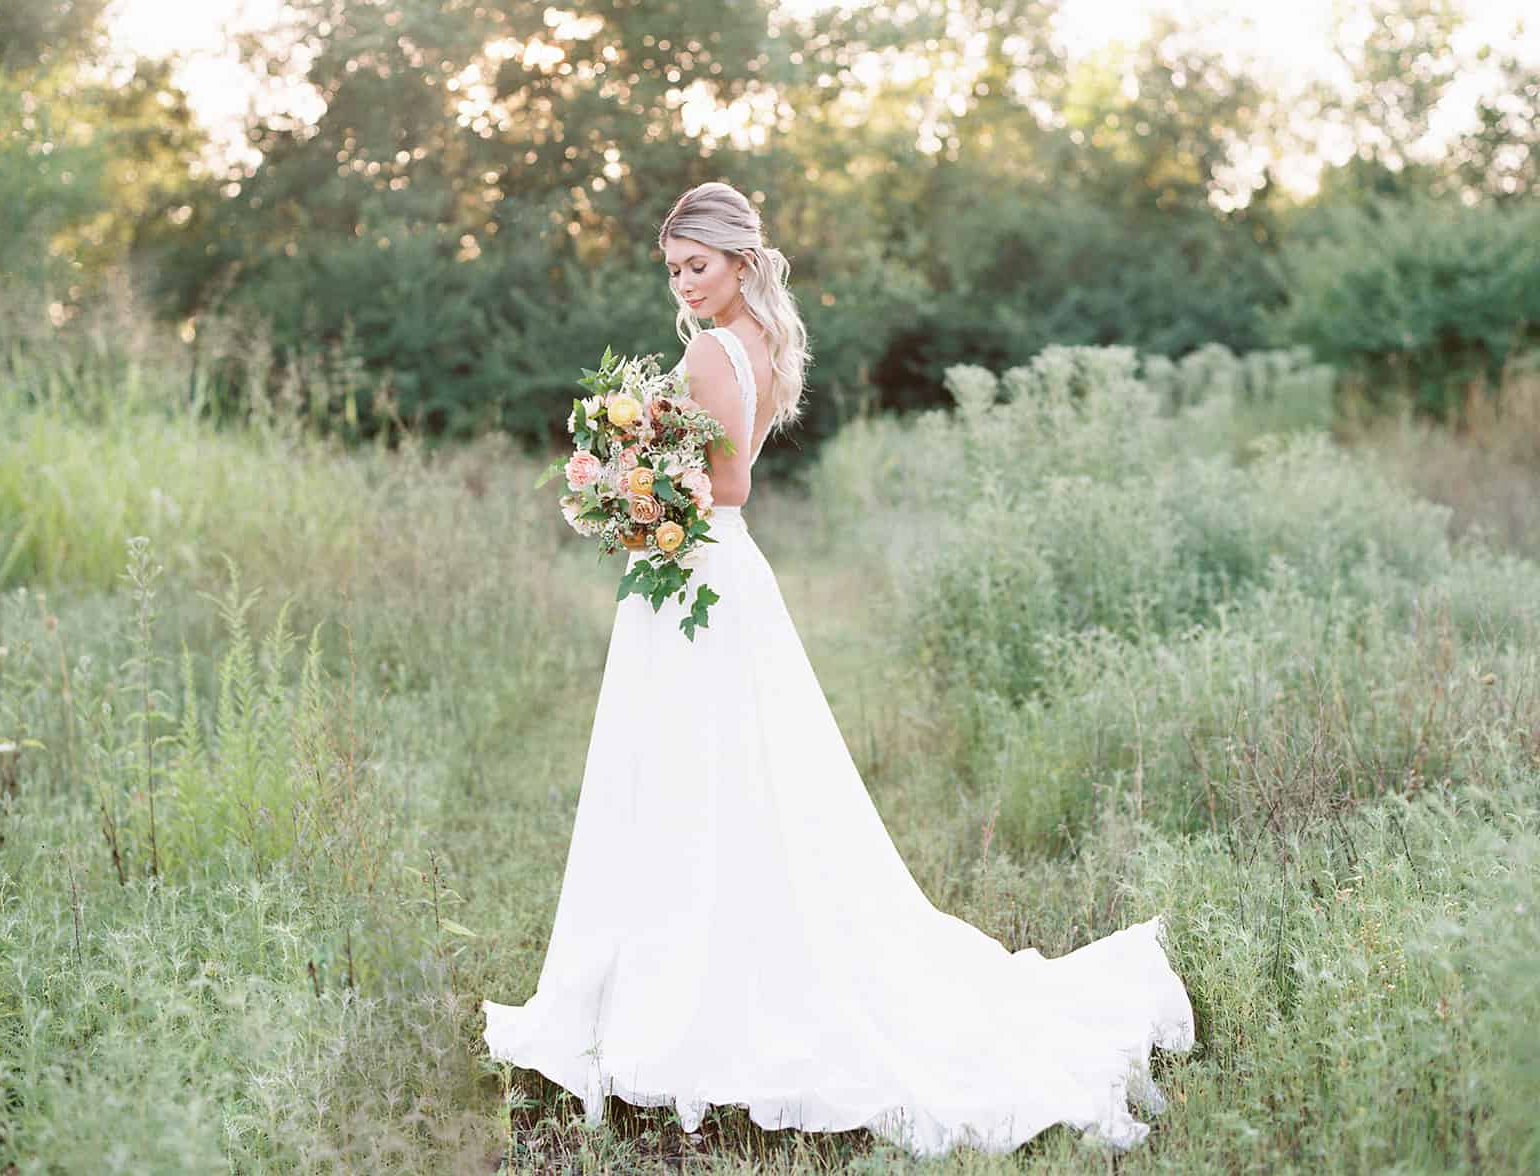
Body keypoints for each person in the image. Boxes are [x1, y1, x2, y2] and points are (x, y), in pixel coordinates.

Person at [481, 182, 1196, 1158]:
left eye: (699, 265)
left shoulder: (711, 350)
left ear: (739, 260)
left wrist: (626, 478)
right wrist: (633, 476)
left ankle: (688, 1006)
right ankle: (673, 985)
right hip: (702, 568)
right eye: (674, 270)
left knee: (697, 780)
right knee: (706, 781)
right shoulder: (759, 344)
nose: (686, 284)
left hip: (696, 563)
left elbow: (727, 482)